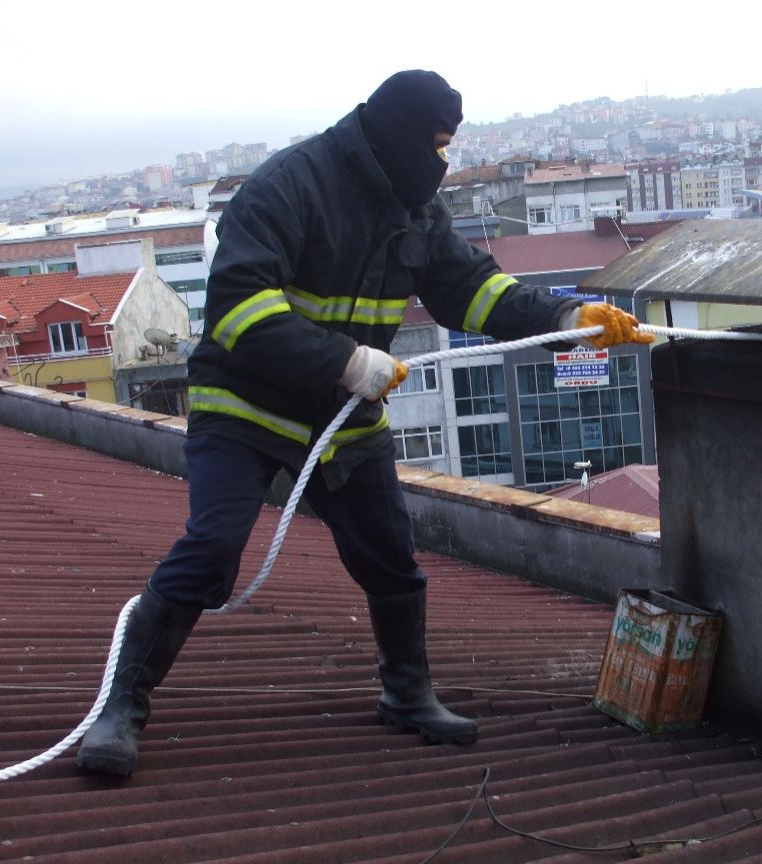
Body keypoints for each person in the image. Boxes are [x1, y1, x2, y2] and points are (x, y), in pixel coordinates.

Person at [75, 70, 653, 777]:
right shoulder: (290, 186)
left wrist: (567, 318)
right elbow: (236, 308)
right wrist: (344, 362)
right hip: (246, 408)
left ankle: (406, 694)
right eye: (438, 144)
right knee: (212, 548)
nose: (442, 162)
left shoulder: (413, 206)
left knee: (392, 561)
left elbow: (469, 288)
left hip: (343, 421)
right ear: (398, 135)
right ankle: (120, 707)